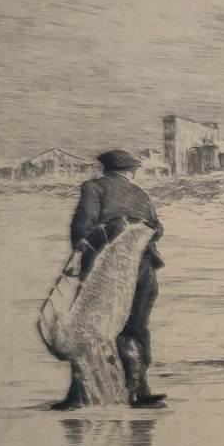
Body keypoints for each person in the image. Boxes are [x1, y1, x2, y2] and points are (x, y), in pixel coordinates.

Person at [68, 149, 166, 407]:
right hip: (143, 268)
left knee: (88, 326)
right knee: (135, 327)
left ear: (105, 169)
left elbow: (82, 228)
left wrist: (82, 255)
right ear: (130, 171)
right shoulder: (140, 194)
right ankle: (138, 390)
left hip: (105, 270)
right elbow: (157, 230)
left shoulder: (93, 188)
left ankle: (80, 395)